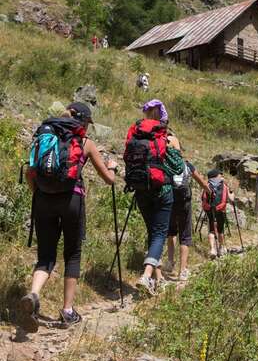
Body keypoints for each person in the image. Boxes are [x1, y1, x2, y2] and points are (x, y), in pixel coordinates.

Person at [18, 102, 117, 332]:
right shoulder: (85, 143)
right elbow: (109, 180)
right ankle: (68, 311)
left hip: (43, 199)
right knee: (72, 254)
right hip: (72, 200)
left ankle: (33, 294)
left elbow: (30, 171)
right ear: (83, 120)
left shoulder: (44, 135)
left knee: (45, 255)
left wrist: (40, 193)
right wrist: (113, 167)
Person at [124, 100, 182, 296]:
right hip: (162, 190)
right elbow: (179, 168)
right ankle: (146, 275)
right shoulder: (166, 136)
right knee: (159, 234)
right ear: (162, 117)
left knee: (153, 233)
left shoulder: (135, 132)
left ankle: (159, 280)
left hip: (141, 189)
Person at [164, 142, 210, 281]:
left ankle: (170, 262)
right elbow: (202, 183)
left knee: (171, 232)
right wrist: (208, 191)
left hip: (170, 201)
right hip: (184, 203)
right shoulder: (187, 165)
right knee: (185, 234)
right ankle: (183, 270)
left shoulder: (165, 164)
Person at [203, 169, 234, 258]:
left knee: (211, 229)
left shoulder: (207, 185)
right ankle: (220, 248)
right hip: (220, 210)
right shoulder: (224, 185)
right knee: (220, 230)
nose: (221, 176)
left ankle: (212, 249)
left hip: (209, 210)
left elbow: (203, 198)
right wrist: (232, 192)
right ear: (216, 176)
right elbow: (231, 200)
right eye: (220, 175)